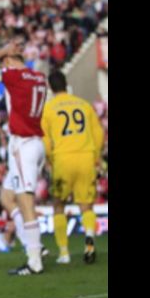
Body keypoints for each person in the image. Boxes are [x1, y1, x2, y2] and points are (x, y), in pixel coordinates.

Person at [0, 42, 48, 275]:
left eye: (3, 61)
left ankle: (34, 260)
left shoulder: (13, 75)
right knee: (7, 198)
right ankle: (34, 245)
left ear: (7, 61)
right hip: (32, 142)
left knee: (25, 202)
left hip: (24, 144)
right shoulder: (38, 77)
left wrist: (2, 49)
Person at [41, 70, 104, 264]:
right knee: (86, 205)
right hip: (85, 158)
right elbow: (99, 133)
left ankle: (64, 253)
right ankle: (90, 238)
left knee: (59, 205)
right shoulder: (84, 105)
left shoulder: (49, 108)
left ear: (50, 87)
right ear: (66, 83)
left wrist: (51, 161)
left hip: (63, 160)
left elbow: (46, 140)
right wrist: (95, 156)